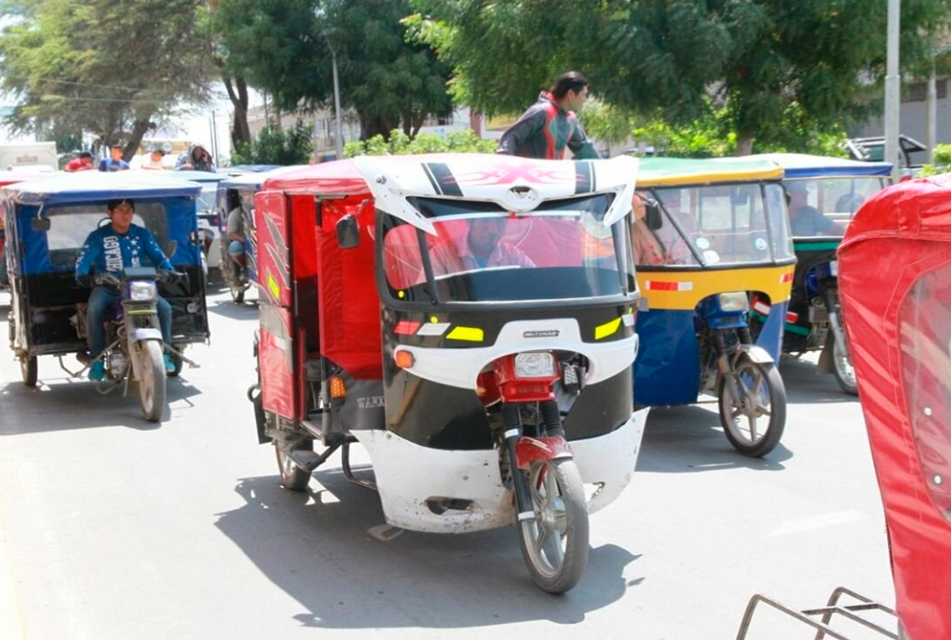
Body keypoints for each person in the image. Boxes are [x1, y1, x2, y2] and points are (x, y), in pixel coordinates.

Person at [75, 198, 175, 380]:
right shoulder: (98, 236)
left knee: (165, 309)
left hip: (138, 286)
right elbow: (84, 260)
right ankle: (96, 360)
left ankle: (166, 355)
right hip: (108, 287)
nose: (125, 214)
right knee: (94, 309)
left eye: (128, 210)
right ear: (110, 214)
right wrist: (84, 275)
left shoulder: (142, 234)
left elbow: (158, 256)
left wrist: (168, 270)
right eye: (120, 211)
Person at [497, 71, 599, 160]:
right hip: (527, 180)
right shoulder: (541, 112)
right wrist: (505, 164)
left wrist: (604, 169)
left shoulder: (570, 119)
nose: (585, 100)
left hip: (550, 180)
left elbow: (584, 148)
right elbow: (511, 137)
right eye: (584, 95)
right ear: (571, 94)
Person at [429, 217, 535, 276]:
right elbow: (427, 296)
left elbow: (538, 283)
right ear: (470, 222)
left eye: (499, 222)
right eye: (485, 221)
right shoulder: (442, 254)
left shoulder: (514, 257)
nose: (493, 229)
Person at [226, 191, 253, 276]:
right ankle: (246, 268)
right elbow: (231, 234)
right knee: (235, 246)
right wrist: (244, 240)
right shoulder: (236, 213)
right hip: (244, 241)